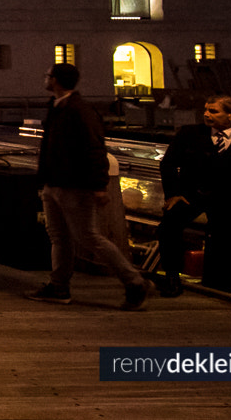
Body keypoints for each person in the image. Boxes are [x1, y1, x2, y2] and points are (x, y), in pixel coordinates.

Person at [27, 63, 150, 309]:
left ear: (57, 81)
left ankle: (133, 280)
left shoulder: (78, 110)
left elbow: (95, 149)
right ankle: (59, 285)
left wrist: (99, 186)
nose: (45, 78)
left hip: (73, 185)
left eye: (48, 75)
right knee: (60, 236)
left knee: (88, 237)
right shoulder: (60, 107)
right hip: (55, 183)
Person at [154, 94, 231, 296]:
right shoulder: (189, 134)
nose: (207, 115)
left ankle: (219, 286)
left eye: (214, 111)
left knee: (223, 239)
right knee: (169, 225)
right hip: (192, 194)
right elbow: (167, 163)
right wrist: (173, 194)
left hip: (228, 199)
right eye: (206, 110)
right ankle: (171, 276)